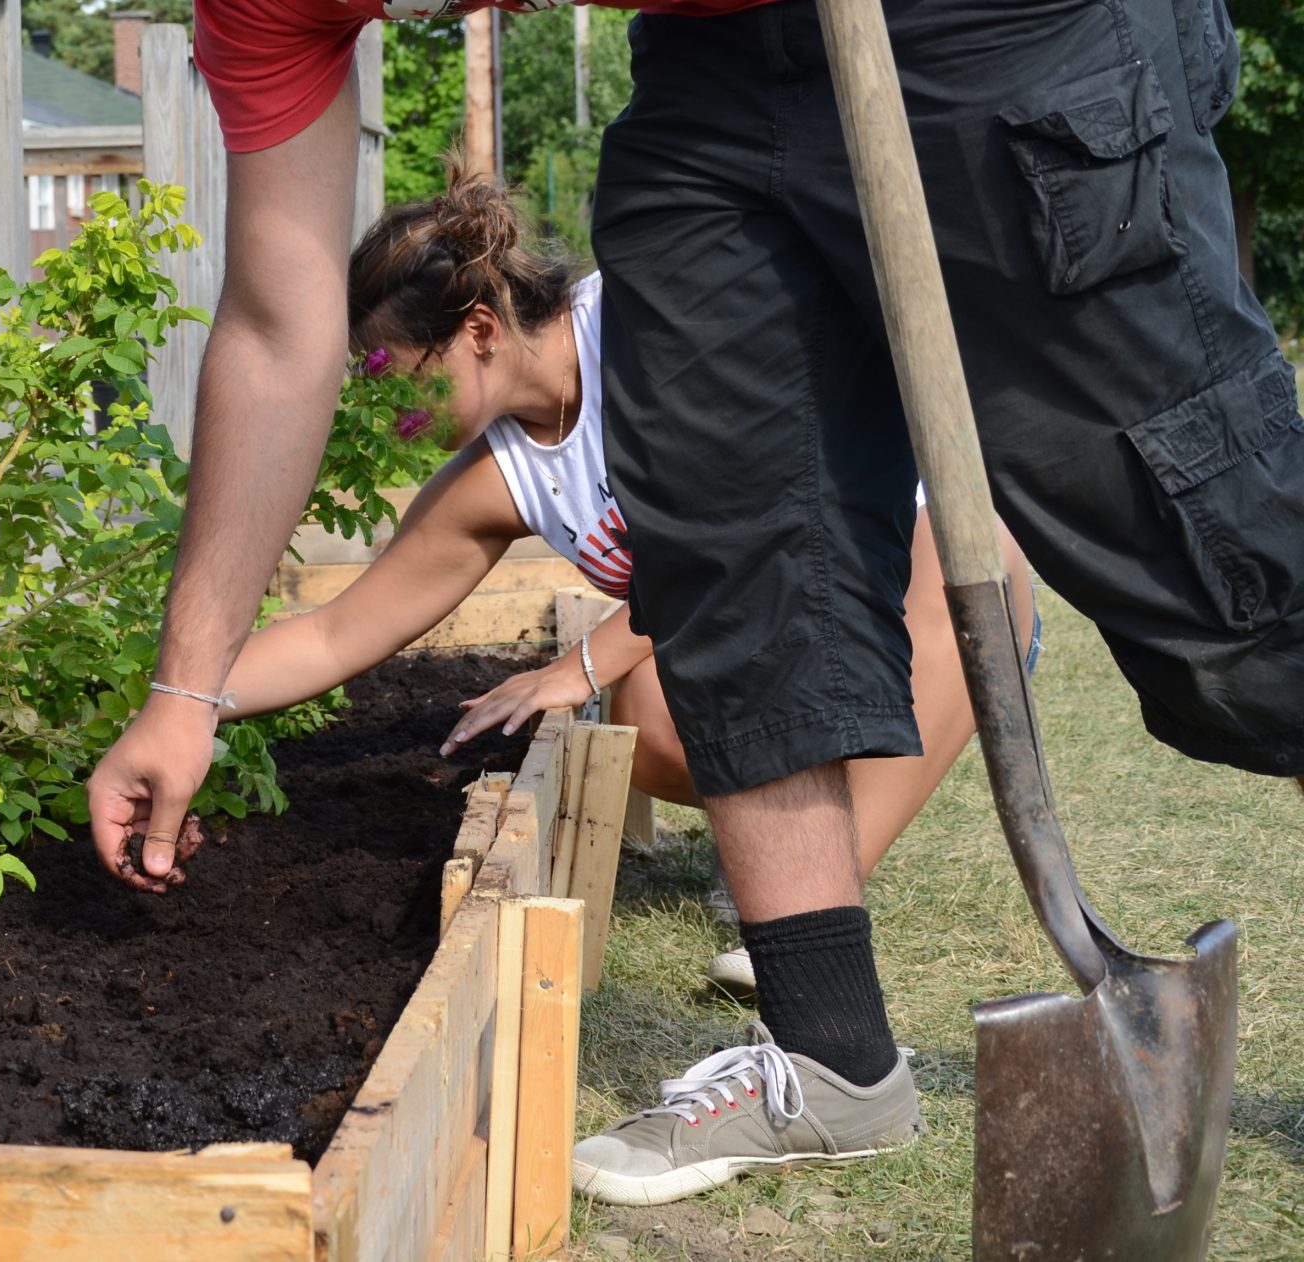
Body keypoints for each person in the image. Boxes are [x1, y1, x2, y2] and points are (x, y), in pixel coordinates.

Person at [87, 0, 1304, 1211]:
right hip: (713, 68)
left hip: (977, 30)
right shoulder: (259, 12)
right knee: (727, 537)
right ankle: (829, 1057)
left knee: (1202, 523)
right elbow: (274, 331)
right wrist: (181, 692)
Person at [216, 171, 1039, 1002]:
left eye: (394, 376)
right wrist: (178, 704)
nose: (385, 407)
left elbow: (744, 532)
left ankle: (810, 919)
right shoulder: (498, 480)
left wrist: (578, 666)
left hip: (893, 593)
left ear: (479, 330)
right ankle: (788, 833)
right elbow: (333, 634)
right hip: (771, 635)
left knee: (971, 564)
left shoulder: (649, 320)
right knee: (644, 711)